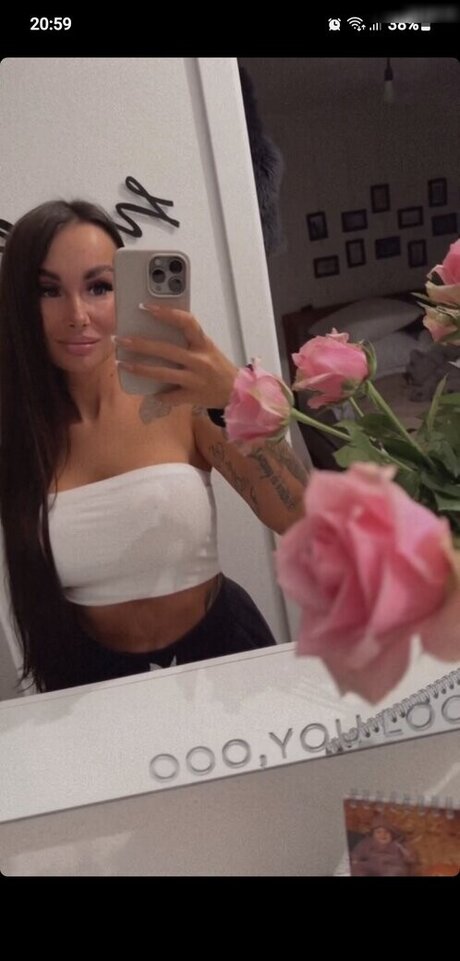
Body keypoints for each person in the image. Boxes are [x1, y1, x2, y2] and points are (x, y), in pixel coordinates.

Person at [0, 199, 309, 693]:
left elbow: (301, 518)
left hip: (225, 660)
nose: (77, 315)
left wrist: (235, 397)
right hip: (88, 684)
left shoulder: (182, 397)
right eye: (48, 290)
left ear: (125, 292)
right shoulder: (17, 432)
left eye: (99, 287)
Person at [350, 819, 417, 877]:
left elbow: (411, 859)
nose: (383, 835)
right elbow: (358, 852)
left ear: (392, 834)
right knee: (358, 867)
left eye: (386, 832)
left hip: (391, 866)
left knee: (395, 872)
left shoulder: (396, 844)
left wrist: (403, 849)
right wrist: (355, 861)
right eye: (378, 832)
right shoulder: (368, 842)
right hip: (373, 865)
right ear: (373, 835)